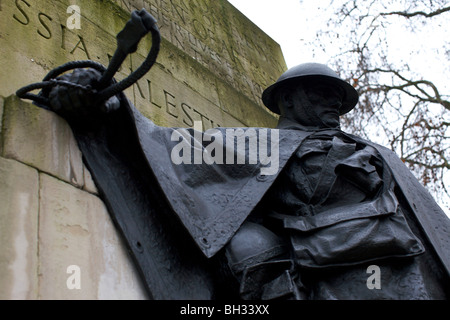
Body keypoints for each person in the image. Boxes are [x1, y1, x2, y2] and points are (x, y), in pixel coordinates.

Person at [44, 63, 450, 299]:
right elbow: (165, 147)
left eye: (337, 97)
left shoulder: (380, 152)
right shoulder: (262, 145)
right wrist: (104, 103)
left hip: (409, 265)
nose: (334, 103)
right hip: (335, 271)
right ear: (288, 99)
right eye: (323, 92)